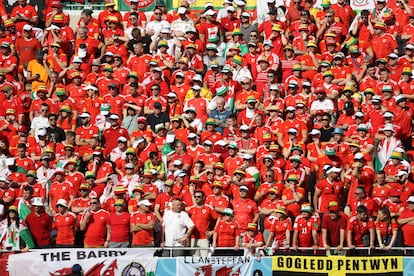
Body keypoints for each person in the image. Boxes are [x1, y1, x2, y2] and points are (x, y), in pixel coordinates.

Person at [187, 190, 213, 256]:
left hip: (204, 238)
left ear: (203, 198)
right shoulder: (191, 209)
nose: (196, 198)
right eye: (195, 196)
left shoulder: (209, 208)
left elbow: (219, 218)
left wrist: (213, 231)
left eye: (199, 197)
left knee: (205, 261)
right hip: (193, 238)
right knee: (195, 261)